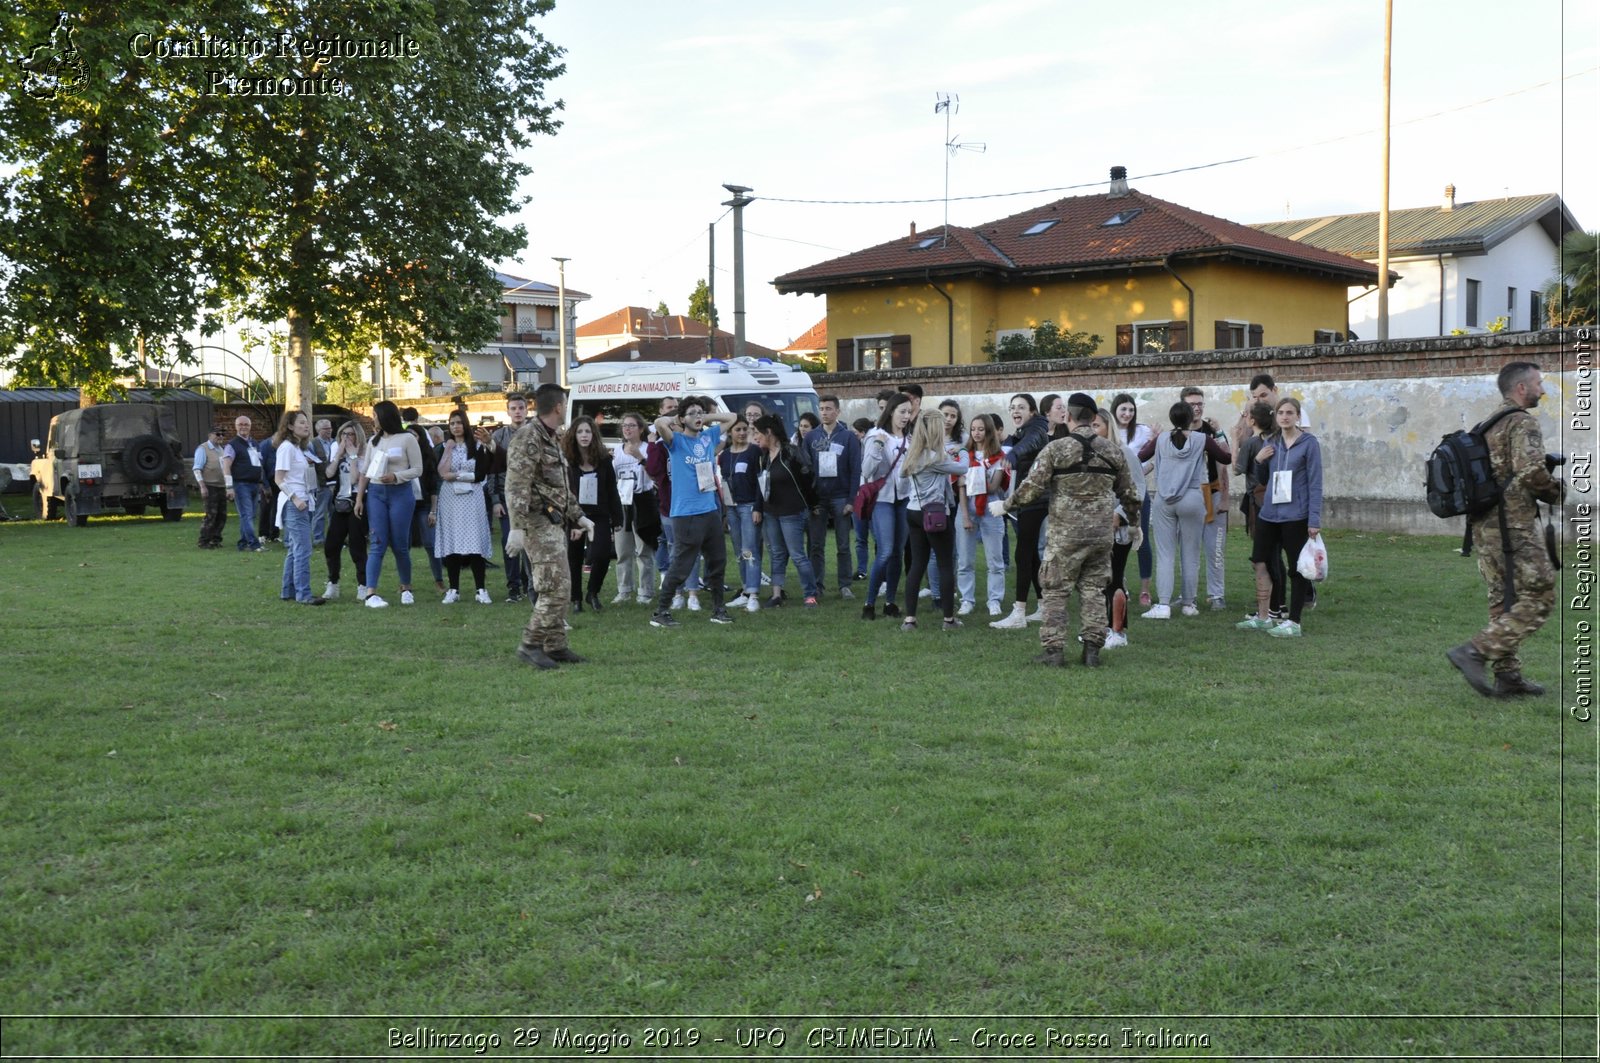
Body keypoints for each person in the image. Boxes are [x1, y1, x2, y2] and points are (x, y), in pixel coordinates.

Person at [993, 394, 1141, 666]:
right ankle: (1092, 651)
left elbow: (1032, 487)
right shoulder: (1112, 451)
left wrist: (1006, 504)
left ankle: (1054, 652)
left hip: (1065, 534)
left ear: (1069, 417)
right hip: (1100, 534)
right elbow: (1130, 494)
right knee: (1094, 590)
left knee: (1055, 591)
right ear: (1093, 418)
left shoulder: (1056, 449)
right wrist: (1134, 523)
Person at [1447, 362, 1566, 696]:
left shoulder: (1487, 425)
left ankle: (1508, 678)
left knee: (1504, 600)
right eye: (1539, 383)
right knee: (1541, 594)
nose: (1542, 390)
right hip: (1513, 526)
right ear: (1521, 388)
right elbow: (1530, 473)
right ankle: (1474, 652)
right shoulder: (1522, 422)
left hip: (1484, 526)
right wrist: (1557, 490)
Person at [505, 383, 595, 669]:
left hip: (551, 519)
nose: (566, 409)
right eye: (565, 404)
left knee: (562, 584)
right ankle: (531, 644)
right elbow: (516, 484)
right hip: (536, 521)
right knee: (554, 587)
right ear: (558, 406)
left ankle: (555, 646)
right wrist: (517, 527)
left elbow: (557, 485)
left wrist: (578, 515)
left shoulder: (551, 437)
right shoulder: (528, 438)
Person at [1239, 397, 1323, 639]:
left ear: (1298, 416)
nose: (1284, 416)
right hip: (1270, 512)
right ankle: (1264, 616)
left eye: (1289, 412)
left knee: (1297, 568)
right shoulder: (1272, 442)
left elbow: (1315, 483)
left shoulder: (1309, 444)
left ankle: (1294, 621)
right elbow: (1263, 479)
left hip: (1296, 514)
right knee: (1260, 560)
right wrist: (1259, 460)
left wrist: (1313, 519)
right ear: (1275, 416)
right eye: (1280, 413)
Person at [650, 395, 737, 628]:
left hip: (709, 509)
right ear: (681, 419)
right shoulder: (676, 441)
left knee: (717, 561)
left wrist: (702, 416)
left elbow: (732, 417)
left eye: (700, 412)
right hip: (686, 514)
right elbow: (659, 423)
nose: (698, 417)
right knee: (681, 565)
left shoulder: (708, 437)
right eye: (693, 413)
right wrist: (681, 418)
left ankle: (719, 609)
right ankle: (661, 612)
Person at [1138, 401, 1230, 618]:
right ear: (1190, 418)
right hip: (1192, 497)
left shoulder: (1161, 439)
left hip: (1164, 499)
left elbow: (1141, 456)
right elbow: (1226, 458)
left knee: (1165, 553)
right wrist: (1220, 433)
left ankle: (1163, 605)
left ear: (1172, 419)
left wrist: (1154, 438)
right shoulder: (1202, 438)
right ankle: (1189, 604)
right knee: (1191, 553)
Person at [992, 393, 1061, 630]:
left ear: (1032, 411)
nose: (1015, 411)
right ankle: (1042, 606)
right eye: (1012, 407)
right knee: (1030, 554)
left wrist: (1012, 454)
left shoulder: (1037, 428)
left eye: (1021, 407)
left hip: (1037, 499)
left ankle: (1019, 612)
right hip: (1028, 499)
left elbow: (1030, 443)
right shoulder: (1022, 432)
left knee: (1023, 553)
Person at [899, 409, 967, 631]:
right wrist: (963, 450)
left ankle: (910, 619)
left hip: (914, 512)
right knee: (945, 564)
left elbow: (902, 476)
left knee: (917, 564)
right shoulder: (934, 458)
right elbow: (962, 468)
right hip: (935, 513)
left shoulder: (913, 454)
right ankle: (948, 619)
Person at [355, 399, 424, 608]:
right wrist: (359, 498)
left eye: (375, 415)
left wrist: (396, 476)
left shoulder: (407, 439)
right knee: (377, 542)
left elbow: (417, 469)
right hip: (376, 493)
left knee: (400, 544)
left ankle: (406, 587)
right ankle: (371, 593)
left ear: (385, 416)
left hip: (400, 493)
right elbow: (365, 471)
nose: (373, 419)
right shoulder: (373, 441)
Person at [753, 413, 821, 608]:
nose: (755, 437)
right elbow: (760, 485)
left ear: (769, 432)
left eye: (758, 433)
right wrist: (758, 508)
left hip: (792, 512)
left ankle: (810, 594)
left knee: (797, 554)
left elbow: (807, 480)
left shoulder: (791, 453)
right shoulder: (763, 457)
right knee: (776, 553)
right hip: (770, 512)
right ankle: (776, 594)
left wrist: (813, 504)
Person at [860, 392, 914, 620]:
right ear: (891, 411)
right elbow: (867, 470)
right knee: (885, 551)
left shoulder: (909, 438)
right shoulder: (876, 435)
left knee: (898, 553)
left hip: (903, 499)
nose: (906, 416)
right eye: (902, 412)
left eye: (909, 412)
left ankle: (890, 601)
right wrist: (878, 447)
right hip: (882, 499)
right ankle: (869, 603)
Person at [1094, 408, 1144, 649]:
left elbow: (1137, 488)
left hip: (1117, 526)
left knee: (1115, 576)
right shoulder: (1090, 454)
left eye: (1096, 426)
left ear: (1108, 427)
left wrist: (1122, 514)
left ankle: (1118, 631)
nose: (1092, 431)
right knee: (1098, 579)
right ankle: (1102, 627)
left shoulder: (1123, 453)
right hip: (1094, 526)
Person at [563, 415, 623, 613]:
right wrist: (572, 522)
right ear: (574, 435)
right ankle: (576, 599)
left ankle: (593, 592)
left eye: (588, 431)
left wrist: (617, 518)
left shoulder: (604, 460)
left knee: (602, 554)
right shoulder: (567, 461)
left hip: (599, 515)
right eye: (580, 431)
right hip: (574, 515)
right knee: (574, 558)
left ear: (593, 434)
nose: (584, 435)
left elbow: (612, 490)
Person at [804, 395, 862, 600]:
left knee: (843, 544)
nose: (824, 412)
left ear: (838, 411)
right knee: (816, 544)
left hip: (840, 496)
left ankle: (845, 585)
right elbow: (805, 469)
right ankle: (817, 584)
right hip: (818, 497)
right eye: (821, 409)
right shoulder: (810, 438)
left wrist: (850, 500)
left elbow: (856, 469)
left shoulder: (848, 437)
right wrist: (810, 499)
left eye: (829, 408)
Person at [434, 409, 495, 604]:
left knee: (474, 541)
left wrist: (458, 476)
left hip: (472, 496)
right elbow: (442, 472)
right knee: (452, 542)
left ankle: (481, 589)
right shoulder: (445, 446)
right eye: (452, 424)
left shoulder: (476, 445)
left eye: (459, 423)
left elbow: (480, 473)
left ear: (465, 424)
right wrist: (449, 450)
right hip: (450, 498)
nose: (456, 427)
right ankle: (453, 589)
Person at [1181, 387, 1233, 609]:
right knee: (1188, 550)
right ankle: (1187, 596)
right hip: (1189, 498)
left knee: (1215, 548)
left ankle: (1216, 595)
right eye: (1192, 404)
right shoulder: (1177, 432)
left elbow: (1225, 462)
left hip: (1213, 493)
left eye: (1200, 403)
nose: (1197, 408)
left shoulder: (1211, 431)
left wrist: (1225, 498)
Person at [955, 413, 1010, 618]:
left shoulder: (999, 456)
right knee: (964, 559)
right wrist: (965, 516)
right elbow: (959, 487)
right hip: (966, 507)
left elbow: (994, 485)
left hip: (991, 507)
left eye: (981, 429)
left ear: (989, 431)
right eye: (973, 429)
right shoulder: (963, 455)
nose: (976, 433)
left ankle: (994, 600)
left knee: (995, 559)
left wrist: (969, 480)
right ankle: (966, 599)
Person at [1233, 401, 1279, 627]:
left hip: (1258, 502)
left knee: (1261, 557)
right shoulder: (1276, 440)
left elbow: (1237, 468)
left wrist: (1234, 440)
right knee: (1274, 556)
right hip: (1277, 501)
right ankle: (1277, 606)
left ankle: (1266, 612)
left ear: (1252, 421)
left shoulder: (1252, 443)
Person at [272, 410, 324, 605]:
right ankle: (304, 594)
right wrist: (295, 498)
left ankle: (288, 591)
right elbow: (279, 479)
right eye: (301, 422)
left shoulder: (298, 449)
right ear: (290, 426)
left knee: (295, 549)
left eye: (307, 422)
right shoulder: (286, 448)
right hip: (295, 504)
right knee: (303, 549)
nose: (306, 425)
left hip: (303, 502)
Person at [1110, 394, 1155, 606]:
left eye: (1131, 410)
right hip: (1115, 494)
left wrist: (1139, 475)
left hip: (1138, 492)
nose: (1127, 414)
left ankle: (1145, 589)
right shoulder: (1108, 433)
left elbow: (1152, 461)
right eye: (1123, 409)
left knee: (1141, 538)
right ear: (1115, 411)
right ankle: (1120, 583)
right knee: (1115, 541)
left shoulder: (1143, 431)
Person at [611, 411, 660, 605]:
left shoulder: (648, 449)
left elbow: (655, 475)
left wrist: (640, 457)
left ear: (641, 429)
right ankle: (624, 590)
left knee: (644, 550)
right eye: (625, 426)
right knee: (623, 550)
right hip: (623, 502)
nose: (627, 429)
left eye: (632, 425)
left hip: (643, 501)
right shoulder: (617, 450)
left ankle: (645, 591)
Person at [488, 392, 532, 603]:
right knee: (509, 541)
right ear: (507, 411)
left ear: (527, 410)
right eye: (513, 408)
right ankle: (513, 587)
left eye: (520, 408)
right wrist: (495, 500)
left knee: (530, 544)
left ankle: (529, 584)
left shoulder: (535, 433)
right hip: (506, 497)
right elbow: (493, 471)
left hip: (532, 497)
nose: (517, 412)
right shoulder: (498, 436)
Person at [719, 417, 765, 613]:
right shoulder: (725, 455)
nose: (742, 433)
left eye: (745, 429)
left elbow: (761, 481)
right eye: (738, 429)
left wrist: (757, 507)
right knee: (739, 552)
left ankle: (754, 593)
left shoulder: (755, 451)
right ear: (730, 432)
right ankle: (745, 590)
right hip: (732, 507)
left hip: (748, 506)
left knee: (750, 550)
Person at [322, 420, 369, 602]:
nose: (346, 438)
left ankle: (363, 585)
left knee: (357, 546)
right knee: (331, 545)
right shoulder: (338, 452)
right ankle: (333, 583)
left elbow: (355, 479)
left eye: (350, 434)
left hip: (358, 501)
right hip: (341, 503)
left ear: (358, 435)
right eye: (343, 434)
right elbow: (328, 473)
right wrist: (338, 456)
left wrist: (353, 457)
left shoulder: (364, 454)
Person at [222, 414, 264, 552]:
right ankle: (254, 544)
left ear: (250, 426)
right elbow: (226, 465)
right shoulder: (232, 445)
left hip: (254, 484)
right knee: (246, 514)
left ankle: (243, 543)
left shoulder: (254, 444)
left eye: (246, 424)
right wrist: (229, 487)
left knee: (250, 515)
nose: (243, 427)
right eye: (240, 424)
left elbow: (259, 464)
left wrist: (263, 483)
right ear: (235, 427)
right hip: (241, 484)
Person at [191, 426, 229, 548]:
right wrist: (202, 486)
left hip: (221, 486)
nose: (221, 437)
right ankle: (204, 540)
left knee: (221, 515)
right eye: (218, 434)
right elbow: (197, 469)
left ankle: (216, 539)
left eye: (223, 434)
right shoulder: (203, 449)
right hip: (209, 485)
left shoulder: (222, 450)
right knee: (211, 514)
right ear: (210, 435)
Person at [850, 416, 875, 580]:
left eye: (855, 433)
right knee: (860, 536)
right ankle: (861, 570)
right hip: (858, 495)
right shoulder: (853, 449)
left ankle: (879, 570)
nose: (854, 437)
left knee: (877, 535)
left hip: (872, 496)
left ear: (863, 433)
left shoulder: (871, 448)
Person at [308, 418, 335, 546]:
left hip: (335, 483)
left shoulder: (335, 442)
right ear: (318, 430)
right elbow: (309, 463)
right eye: (325, 428)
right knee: (319, 512)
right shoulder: (313, 444)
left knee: (334, 512)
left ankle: (333, 536)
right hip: (321, 483)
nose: (329, 430)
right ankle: (318, 538)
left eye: (330, 427)